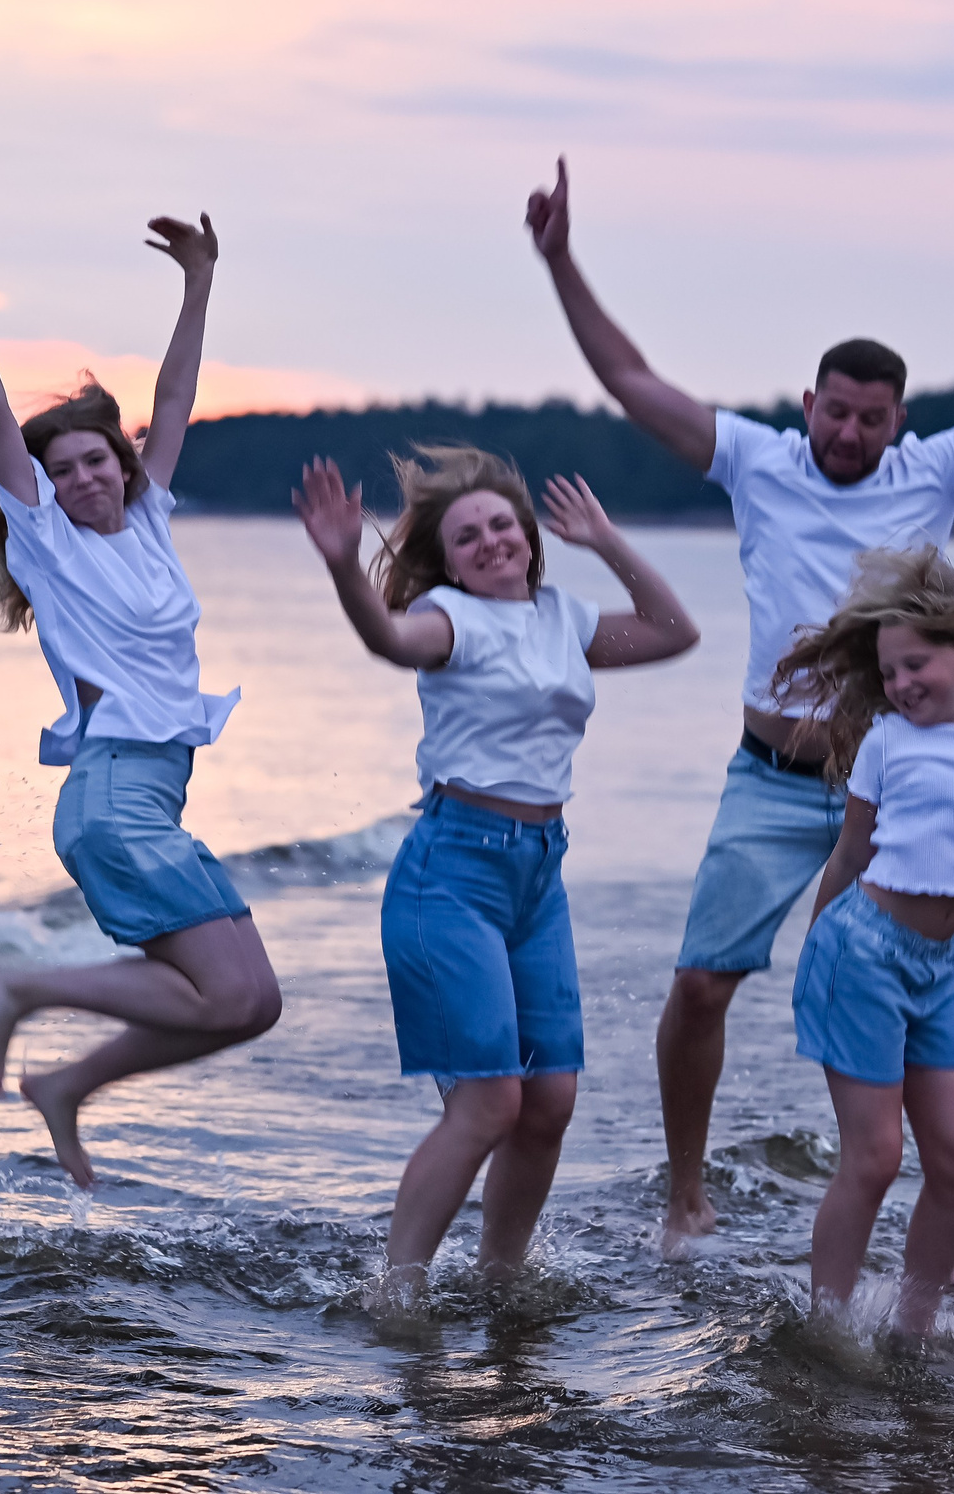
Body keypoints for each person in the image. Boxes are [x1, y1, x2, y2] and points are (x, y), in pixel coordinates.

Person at [523, 156, 954, 1247]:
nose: (850, 435)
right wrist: (561, 261)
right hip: (772, 775)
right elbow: (631, 380)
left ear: (898, 420)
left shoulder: (931, 473)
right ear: (807, 406)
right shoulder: (756, 462)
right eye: (835, 414)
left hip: (903, 778)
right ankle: (684, 1194)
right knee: (702, 984)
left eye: (870, 419)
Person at [0, 208, 280, 1191]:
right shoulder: (47, 539)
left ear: (124, 464)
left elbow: (173, 395)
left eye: (96, 459)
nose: (82, 477)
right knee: (235, 991)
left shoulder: (152, 520)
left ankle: (71, 1084)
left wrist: (199, 278)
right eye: (60, 467)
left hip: (151, 799)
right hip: (113, 797)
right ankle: (23, 982)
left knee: (248, 1003)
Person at [293, 448, 698, 1307]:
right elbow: (388, 636)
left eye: (501, 525)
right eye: (467, 534)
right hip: (452, 872)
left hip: (537, 876)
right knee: (489, 1102)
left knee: (548, 1100)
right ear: (446, 556)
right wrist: (340, 565)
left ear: (528, 535)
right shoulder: (447, 617)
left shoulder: (564, 617)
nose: (489, 542)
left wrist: (606, 539)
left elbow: (674, 631)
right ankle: (396, 1292)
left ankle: (500, 1280)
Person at [774, 547, 954, 1340]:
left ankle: (912, 1333)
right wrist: (816, 952)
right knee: (877, 1156)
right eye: (889, 672)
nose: (900, 685)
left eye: (914, 664)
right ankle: (828, 1324)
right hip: (863, 952)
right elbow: (851, 855)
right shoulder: (889, 741)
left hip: (937, 968)